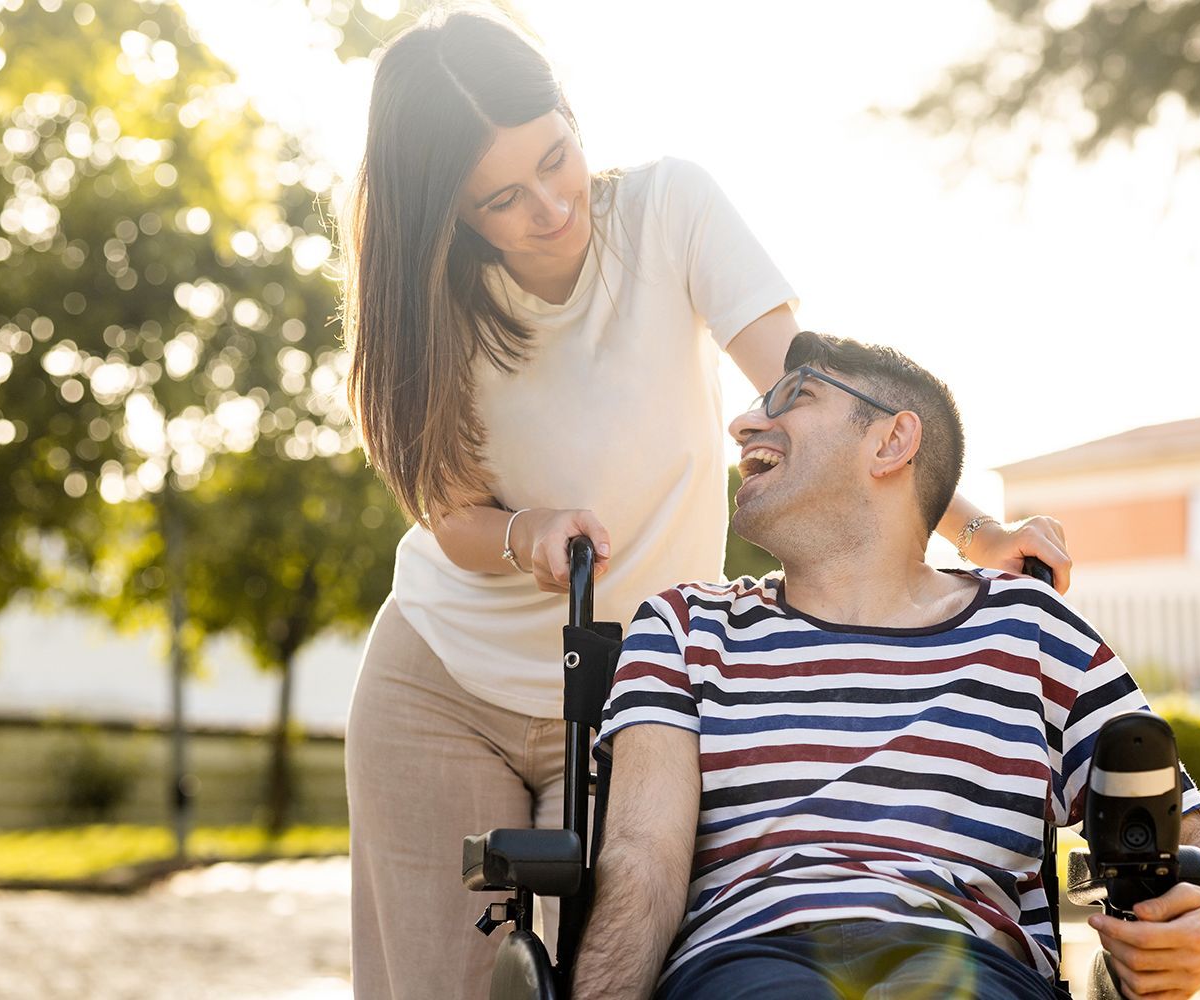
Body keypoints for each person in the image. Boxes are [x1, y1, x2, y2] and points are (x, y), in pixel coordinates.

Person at [340, 5, 1073, 997]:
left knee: (623, 963)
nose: (551, 207)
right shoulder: (428, 300)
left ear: (571, 111)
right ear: (449, 214)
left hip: (629, 692)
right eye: (502, 199)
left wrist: (977, 532)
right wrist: (525, 530)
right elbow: (448, 511)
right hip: (439, 685)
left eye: (557, 157)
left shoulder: (670, 209)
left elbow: (813, 395)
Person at [574, 332, 1200, 1000]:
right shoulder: (684, 628)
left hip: (967, 962)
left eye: (796, 396)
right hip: (751, 957)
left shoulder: (1031, 631)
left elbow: (1198, 844)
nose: (743, 422)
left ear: (891, 442)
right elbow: (642, 861)